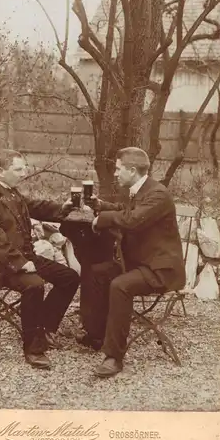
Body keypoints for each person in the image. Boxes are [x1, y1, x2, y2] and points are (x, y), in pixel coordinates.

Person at [0, 149, 80, 370]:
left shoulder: (11, 192)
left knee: (69, 277)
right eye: (18, 169)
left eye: (24, 168)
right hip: (0, 266)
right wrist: (20, 263)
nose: (24, 173)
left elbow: (36, 206)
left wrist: (64, 208)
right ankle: (33, 347)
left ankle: (44, 328)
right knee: (35, 286)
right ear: (0, 171)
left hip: (24, 258)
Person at [84, 147, 186, 378]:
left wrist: (102, 219)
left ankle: (114, 357)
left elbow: (132, 220)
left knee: (120, 285)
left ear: (132, 170)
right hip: (142, 263)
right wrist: (100, 205)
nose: (116, 174)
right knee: (97, 272)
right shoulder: (139, 190)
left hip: (161, 270)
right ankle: (97, 334)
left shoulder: (158, 194)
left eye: (119, 169)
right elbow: (125, 210)